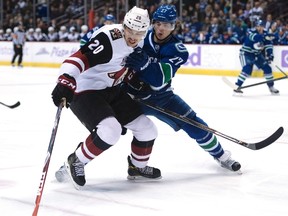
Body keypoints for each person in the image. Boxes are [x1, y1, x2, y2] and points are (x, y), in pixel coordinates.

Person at [122, 4, 241, 173]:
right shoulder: (140, 37)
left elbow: (158, 81)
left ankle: (222, 156)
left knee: (197, 126)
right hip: (132, 96)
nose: (161, 28)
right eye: (158, 23)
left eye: (167, 24)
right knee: (107, 126)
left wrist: (145, 65)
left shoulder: (178, 50)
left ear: (174, 26)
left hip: (162, 97)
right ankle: (78, 160)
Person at [52, 6, 161, 189]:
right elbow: (77, 59)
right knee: (111, 131)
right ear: (124, 25)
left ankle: (137, 167)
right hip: (86, 90)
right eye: (131, 30)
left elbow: (118, 64)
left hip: (112, 89)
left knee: (148, 129)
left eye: (140, 32)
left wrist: (131, 77)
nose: (134, 36)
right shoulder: (109, 38)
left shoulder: (140, 42)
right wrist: (66, 79)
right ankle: (76, 161)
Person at [233, 19, 279, 94]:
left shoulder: (265, 34)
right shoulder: (251, 32)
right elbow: (256, 37)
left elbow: (268, 45)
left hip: (257, 55)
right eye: (258, 26)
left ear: (263, 27)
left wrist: (270, 54)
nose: (259, 28)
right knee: (247, 68)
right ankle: (237, 86)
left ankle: (271, 87)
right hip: (246, 54)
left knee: (267, 69)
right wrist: (266, 36)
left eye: (261, 26)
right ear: (256, 27)